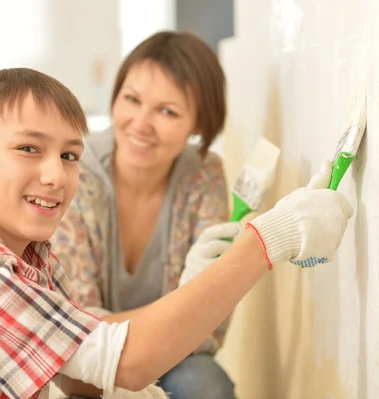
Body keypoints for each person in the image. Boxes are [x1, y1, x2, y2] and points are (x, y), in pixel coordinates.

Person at [0, 67, 353, 399]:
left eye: (70, 155)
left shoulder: (28, 254)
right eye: (29, 148)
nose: (56, 174)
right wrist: (268, 238)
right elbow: (122, 361)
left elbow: (79, 373)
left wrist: (194, 282)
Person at [53, 30, 235, 398]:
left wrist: (170, 328)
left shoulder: (205, 174)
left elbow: (210, 323)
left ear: (200, 123)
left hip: (178, 358)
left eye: (167, 111)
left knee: (206, 386)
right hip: (87, 360)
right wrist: (175, 318)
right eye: (132, 99)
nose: (141, 123)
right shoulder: (75, 170)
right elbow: (77, 324)